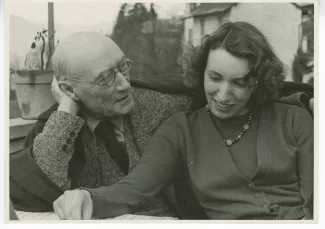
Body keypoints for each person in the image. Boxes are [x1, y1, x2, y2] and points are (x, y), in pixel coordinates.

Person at [53, 21, 314, 220]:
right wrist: (86, 198)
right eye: (215, 77)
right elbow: (135, 189)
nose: (223, 95)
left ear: (258, 82)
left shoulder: (295, 119)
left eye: (240, 82)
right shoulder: (181, 129)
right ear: (201, 73)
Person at [9, 32, 195, 217]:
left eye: (123, 67)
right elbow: (39, 186)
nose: (124, 85)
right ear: (68, 89)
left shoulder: (166, 108)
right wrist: (67, 108)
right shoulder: (59, 127)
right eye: (106, 78)